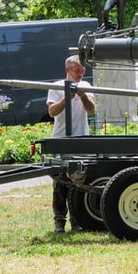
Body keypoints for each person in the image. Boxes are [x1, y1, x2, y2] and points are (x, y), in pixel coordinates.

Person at [46, 55, 96, 233]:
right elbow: (52, 111)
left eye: (83, 70)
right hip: (60, 139)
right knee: (60, 184)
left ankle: (77, 221)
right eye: (77, 70)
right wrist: (67, 97)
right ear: (68, 70)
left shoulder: (86, 86)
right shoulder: (56, 86)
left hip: (81, 140)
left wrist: (82, 96)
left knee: (79, 183)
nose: (81, 74)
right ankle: (59, 222)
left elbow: (91, 110)